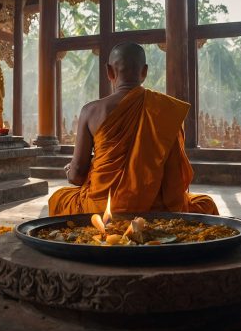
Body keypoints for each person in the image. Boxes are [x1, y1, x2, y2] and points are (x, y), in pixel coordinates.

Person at [48, 42, 218, 216]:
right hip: (154, 209)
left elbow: (76, 176)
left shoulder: (91, 111)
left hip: (102, 209)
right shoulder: (164, 110)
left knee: (59, 198)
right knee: (206, 204)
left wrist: (70, 172)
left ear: (109, 71)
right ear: (144, 71)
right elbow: (172, 178)